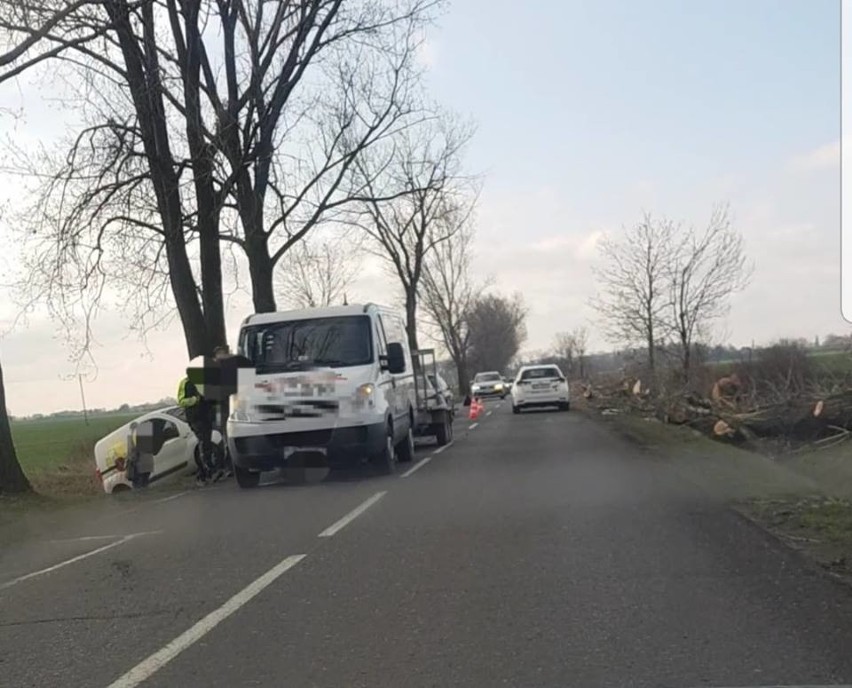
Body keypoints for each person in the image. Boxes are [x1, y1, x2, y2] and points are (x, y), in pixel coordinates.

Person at [178, 373, 218, 485]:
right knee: (203, 443)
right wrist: (195, 400)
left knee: (207, 444)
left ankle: (209, 471)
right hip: (195, 418)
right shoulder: (185, 383)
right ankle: (203, 474)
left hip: (206, 417)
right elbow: (181, 400)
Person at [127, 419, 156, 489]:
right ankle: (148, 497)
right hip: (149, 464)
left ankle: (141, 499)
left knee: (138, 485)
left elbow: (132, 451)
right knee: (145, 482)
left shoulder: (132, 436)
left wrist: (130, 460)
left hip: (140, 465)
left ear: (132, 429)